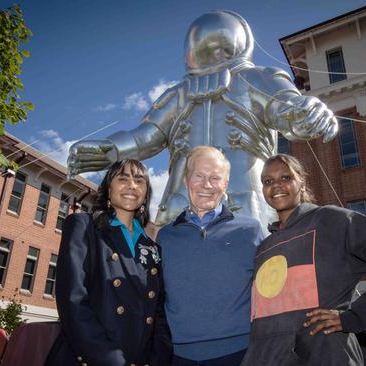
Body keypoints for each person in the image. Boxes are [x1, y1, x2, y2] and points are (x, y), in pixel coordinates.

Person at [66, 10, 338, 231]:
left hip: (245, 205)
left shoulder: (255, 78)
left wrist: (310, 112)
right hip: (179, 207)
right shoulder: (179, 94)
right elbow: (146, 136)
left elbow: (289, 110)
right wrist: (110, 149)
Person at [241, 154, 366, 366]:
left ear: (301, 182)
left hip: (325, 357)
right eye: (267, 181)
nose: (276, 185)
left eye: (285, 178)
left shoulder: (330, 220)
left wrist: (355, 316)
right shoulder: (264, 247)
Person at [46, 159, 172, 366]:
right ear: (108, 188)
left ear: (146, 194)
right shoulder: (83, 227)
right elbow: (73, 299)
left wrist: (156, 359)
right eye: (123, 178)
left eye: (139, 181)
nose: (132, 185)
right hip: (91, 358)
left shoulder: (153, 248)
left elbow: (158, 313)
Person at [155, 146, 264, 366]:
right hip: (177, 356)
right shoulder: (165, 236)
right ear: (186, 180)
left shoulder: (251, 231)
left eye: (215, 178)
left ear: (225, 184)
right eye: (199, 176)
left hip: (240, 353)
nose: (207, 185)